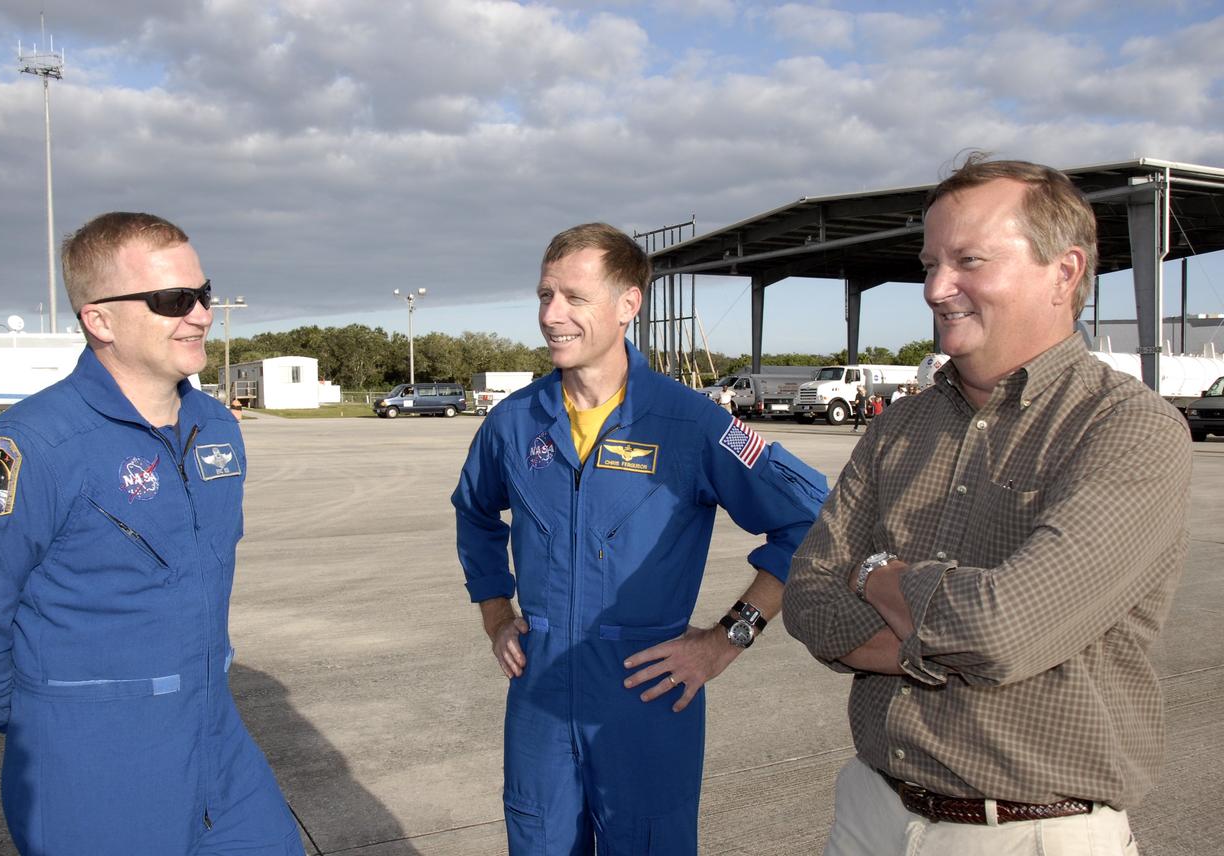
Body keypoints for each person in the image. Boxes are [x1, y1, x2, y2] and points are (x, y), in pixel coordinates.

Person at [783, 156, 1191, 855]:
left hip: (1031, 831)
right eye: (929, 263)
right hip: (872, 811)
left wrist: (875, 574)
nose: (938, 288)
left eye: (969, 260)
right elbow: (809, 601)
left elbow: (1004, 630)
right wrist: (955, 638)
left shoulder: (1127, 428)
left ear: (1064, 272)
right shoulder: (898, 429)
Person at [453, 222, 827, 854]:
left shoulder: (692, 422)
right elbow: (474, 511)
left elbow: (810, 519)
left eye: (574, 297)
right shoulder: (513, 423)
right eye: (544, 295)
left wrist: (726, 639)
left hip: (647, 693)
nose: (551, 315)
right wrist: (496, 612)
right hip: (540, 696)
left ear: (629, 305)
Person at [0, 213, 302, 855]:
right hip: (94, 766)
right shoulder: (31, 448)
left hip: (216, 741)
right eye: (171, 301)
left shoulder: (217, 427)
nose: (199, 315)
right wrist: (53, 719)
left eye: (203, 294)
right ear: (99, 320)